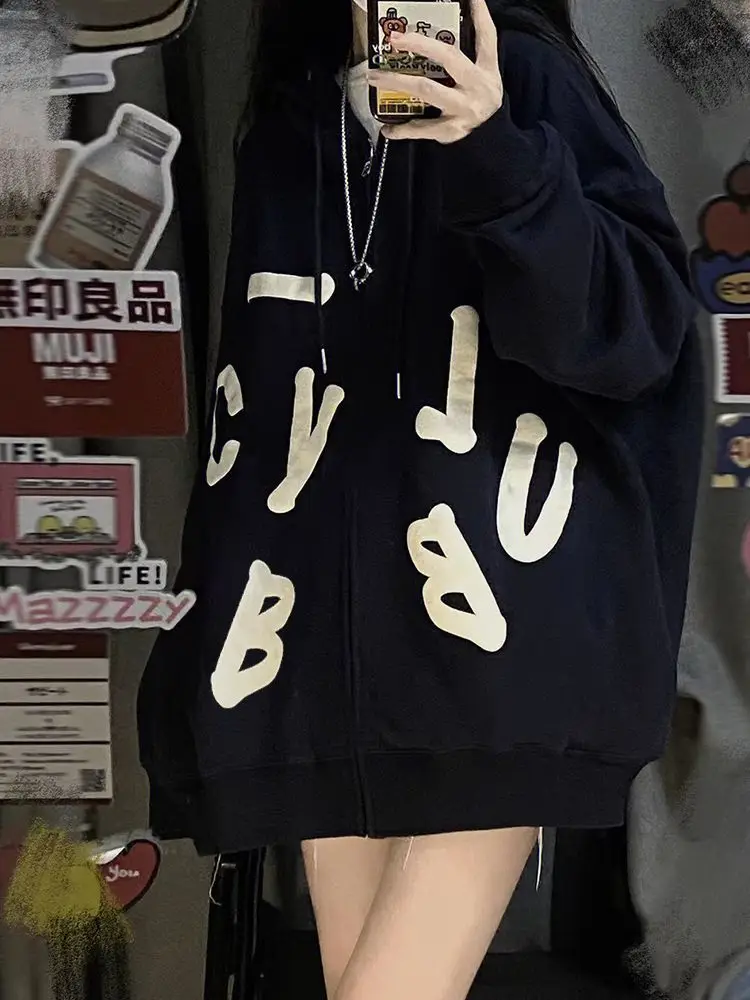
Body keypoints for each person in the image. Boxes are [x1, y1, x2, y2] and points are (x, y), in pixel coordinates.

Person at [137, 0, 704, 997]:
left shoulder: (524, 78)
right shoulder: (292, 118)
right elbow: (252, 407)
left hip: (495, 640)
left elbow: (634, 334)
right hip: (307, 660)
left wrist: (495, 153)